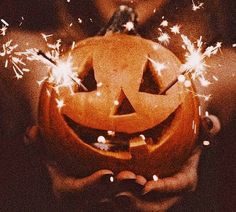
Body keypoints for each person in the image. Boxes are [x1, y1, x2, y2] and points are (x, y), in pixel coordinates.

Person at [0, 0, 235, 211]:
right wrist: (45, 104)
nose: (120, 110)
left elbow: (220, 73)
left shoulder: (221, 50)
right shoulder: (27, 34)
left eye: (147, 86)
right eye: (91, 83)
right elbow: (20, 58)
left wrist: (193, 102)